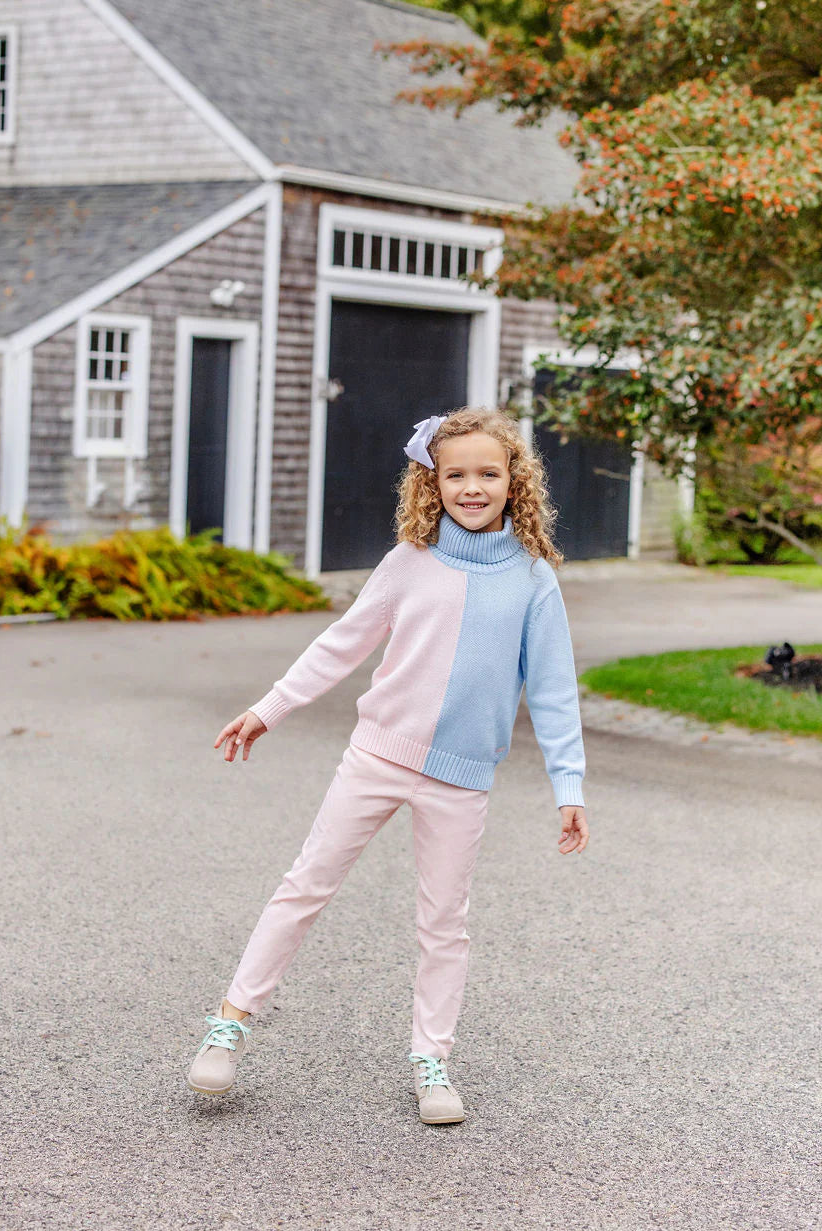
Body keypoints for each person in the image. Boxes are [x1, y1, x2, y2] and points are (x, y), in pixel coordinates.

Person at [186, 406, 589, 1124]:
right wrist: (269, 708)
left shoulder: (534, 580)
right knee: (305, 884)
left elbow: (554, 690)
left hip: (461, 776)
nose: (472, 487)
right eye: (455, 473)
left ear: (513, 481)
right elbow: (343, 644)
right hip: (377, 756)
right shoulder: (409, 561)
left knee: (444, 922)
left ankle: (432, 1059)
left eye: (487, 473)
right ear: (432, 483)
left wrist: (570, 785)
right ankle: (231, 1022)